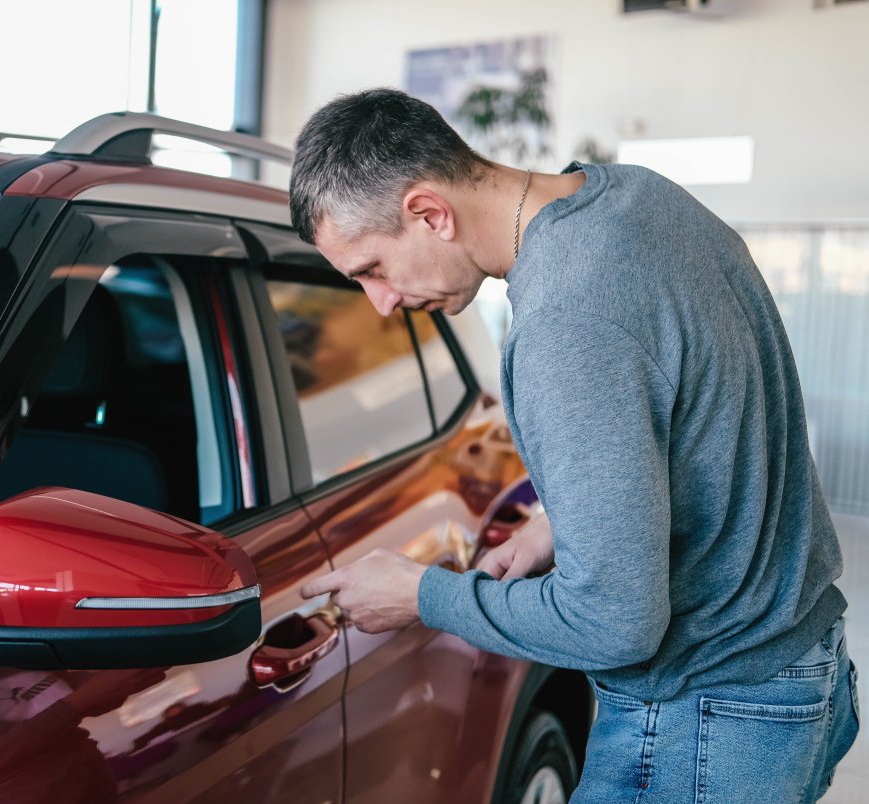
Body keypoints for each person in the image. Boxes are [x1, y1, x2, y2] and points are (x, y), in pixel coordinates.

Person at [293, 88, 859, 802]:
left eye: (371, 270)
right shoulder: (636, 197)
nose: (380, 303)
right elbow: (697, 419)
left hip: (708, 717)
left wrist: (424, 596)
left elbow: (615, 625)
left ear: (429, 212)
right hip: (800, 666)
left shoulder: (562, 323)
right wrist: (559, 526)